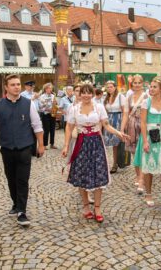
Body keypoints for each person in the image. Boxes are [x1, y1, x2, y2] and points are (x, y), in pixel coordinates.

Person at [61, 83, 128, 223]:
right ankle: (86, 207)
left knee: (99, 175)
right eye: (83, 93)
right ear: (79, 94)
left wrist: (119, 133)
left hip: (97, 143)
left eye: (88, 92)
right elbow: (68, 127)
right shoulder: (74, 109)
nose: (85, 95)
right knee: (81, 175)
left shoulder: (99, 107)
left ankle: (97, 208)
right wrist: (66, 146)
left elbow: (106, 125)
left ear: (92, 94)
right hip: (81, 144)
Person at [0, 74, 45, 226]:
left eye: (18, 84)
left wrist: (41, 144)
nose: (17, 87)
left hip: (25, 147)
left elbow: (37, 125)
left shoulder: (28, 104)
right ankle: (15, 203)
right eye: (13, 85)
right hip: (7, 148)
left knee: (22, 180)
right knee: (11, 179)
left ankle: (22, 211)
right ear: (6, 87)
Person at [134, 77, 161, 210]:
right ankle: (148, 194)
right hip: (150, 135)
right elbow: (143, 122)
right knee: (149, 168)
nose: (151, 89)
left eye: (154, 87)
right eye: (150, 86)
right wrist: (145, 141)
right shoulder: (146, 102)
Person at [125, 75, 148, 194]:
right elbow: (125, 113)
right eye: (135, 83)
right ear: (132, 84)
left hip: (144, 125)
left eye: (139, 82)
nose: (137, 84)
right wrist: (122, 127)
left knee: (143, 151)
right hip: (132, 125)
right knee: (134, 152)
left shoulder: (147, 96)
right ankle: (138, 175)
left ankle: (142, 178)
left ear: (142, 83)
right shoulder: (129, 97)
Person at [103, 80, 128, 174]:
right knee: (113, 144)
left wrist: (123, 127)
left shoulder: (121, 97)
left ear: (115, 87)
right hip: (109, 120)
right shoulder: (106, 97)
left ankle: (117, 163)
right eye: (108, 87)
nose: (109, 88)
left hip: (118, 120)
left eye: (111, 87)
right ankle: (114, 163)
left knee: (118, 144)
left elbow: (124, 112)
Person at [38, 82, 58, 149]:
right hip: (45, 114)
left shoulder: (53, 96)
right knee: (46, 130)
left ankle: (52, 144)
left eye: (51, 88)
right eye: (49, 88)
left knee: (53, 129)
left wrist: (55, 105)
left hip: (53, 114)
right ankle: (44, 145)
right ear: (45, 89)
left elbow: (56, 105)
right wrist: (46, 107)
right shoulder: (42, 96)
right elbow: (40, 107)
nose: (50, 89)